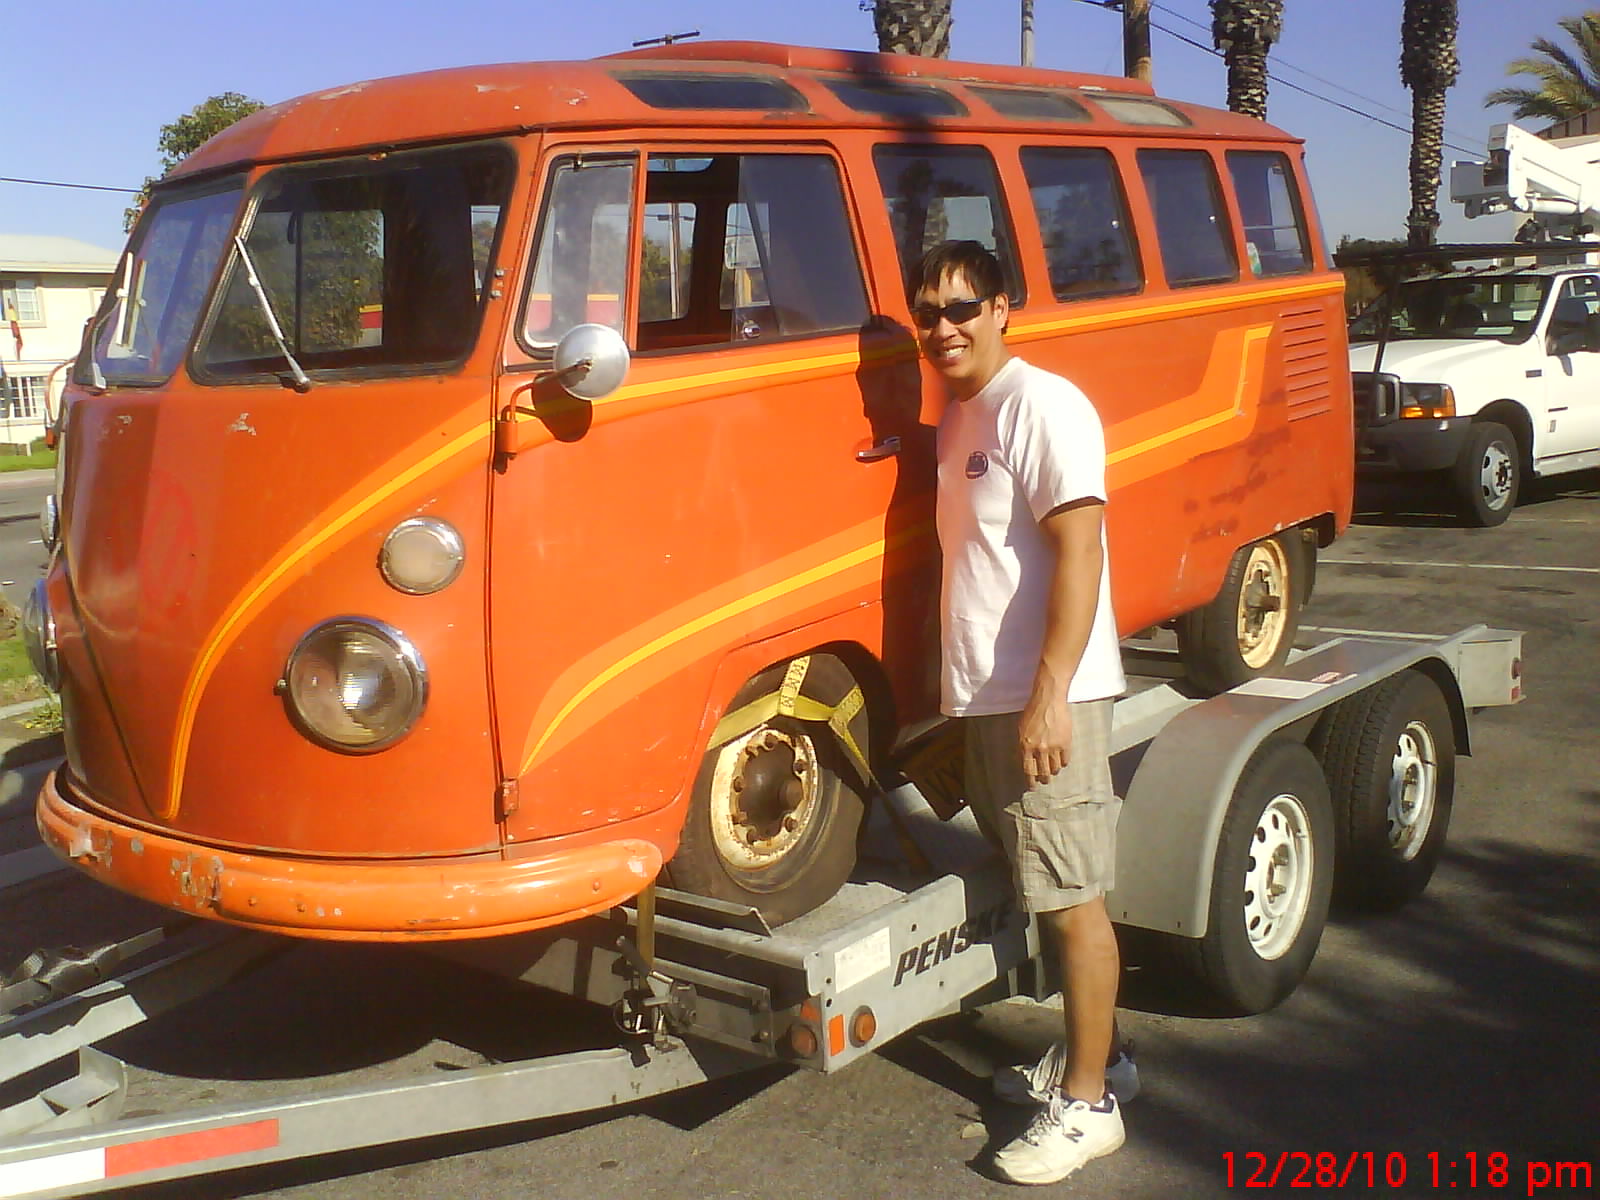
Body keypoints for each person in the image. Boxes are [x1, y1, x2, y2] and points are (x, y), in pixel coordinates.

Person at [911, 240, 1130, 1186]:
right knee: (1041, 885)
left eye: (962, 307)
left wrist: (1049, 696)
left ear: (1004, 306)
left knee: (1075, 902)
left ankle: (1090, 1105)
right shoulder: (963, 417)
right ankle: (1096, 1058)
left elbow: (1080, 550)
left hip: (1050, 700)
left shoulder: (1042, 405)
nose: (943, 329)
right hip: (992, 701)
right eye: (929, 314)